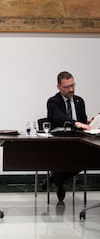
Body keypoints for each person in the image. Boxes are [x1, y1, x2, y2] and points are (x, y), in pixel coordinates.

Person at [46, 71, 91, 202]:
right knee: (62, 158)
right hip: (60, 138)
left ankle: (55, 179)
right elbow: (59, 117)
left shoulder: (79, 100)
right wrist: (75, 123)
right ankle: (58, 182)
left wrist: (88, 123)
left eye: (73, 85)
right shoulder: (53, 101)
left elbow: (83, 120)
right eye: (66, 87)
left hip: (79, 138)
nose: (71, 89)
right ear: (59, 87)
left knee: (87, 159)